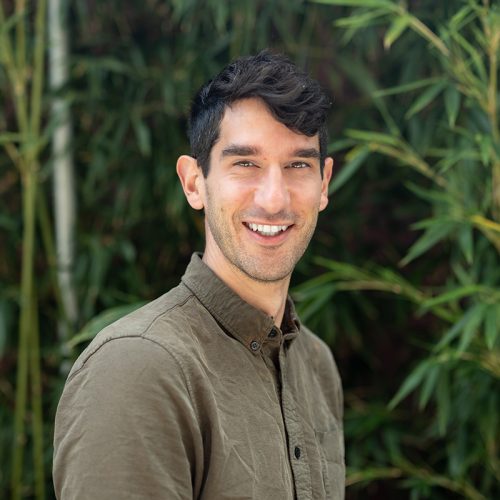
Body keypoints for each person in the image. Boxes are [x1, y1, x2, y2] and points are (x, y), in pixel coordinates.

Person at [53, 50, 344, 500]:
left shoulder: (316, 365)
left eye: (298, 165)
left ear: (323, 184)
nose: (273, 199)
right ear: (194, 183)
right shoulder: (138, 369)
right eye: (245, 163)